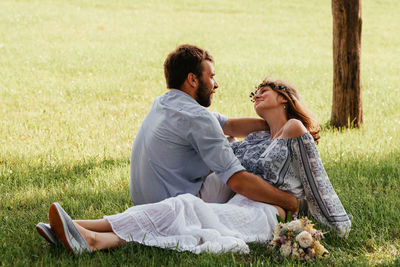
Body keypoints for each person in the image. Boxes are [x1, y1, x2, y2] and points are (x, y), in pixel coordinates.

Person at [36, 78, 352, 255]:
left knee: (183, 208)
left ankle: (76, 227)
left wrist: (335, 224)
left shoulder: (295, 129)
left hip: (264, 215)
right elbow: (219, 138)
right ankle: (92, 237)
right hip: (239, 205)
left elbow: (317, 180)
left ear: (284, 98)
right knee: (180, 211)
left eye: (263, 91)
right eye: (253, 92)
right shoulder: (255, 137)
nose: (255, 94)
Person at [128, 44, 298, 212]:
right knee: (243, 155)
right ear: (193, 79)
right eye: (211, 77)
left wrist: (279, 125)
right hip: (177, 208)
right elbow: (238, 180)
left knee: (230, 140)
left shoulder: (163, 102)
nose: (215, 84)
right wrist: (290, 202)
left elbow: (230, 126)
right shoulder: (199, 117)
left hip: (143, 203)